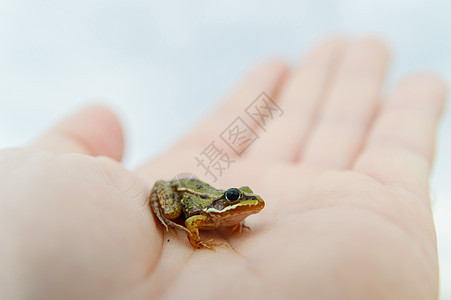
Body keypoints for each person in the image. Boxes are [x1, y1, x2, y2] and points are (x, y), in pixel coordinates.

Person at [0, 37, 446, 299]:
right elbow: (192, 219)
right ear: (226, 205)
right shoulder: (204, 215)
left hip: (200, 189)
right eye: (239, 202)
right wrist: (192, 236)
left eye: (242, 204)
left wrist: (236, 224)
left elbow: (234, 213)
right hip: (184, 191)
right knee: (172, 208)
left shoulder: (230, 217)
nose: (245, 206)